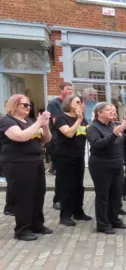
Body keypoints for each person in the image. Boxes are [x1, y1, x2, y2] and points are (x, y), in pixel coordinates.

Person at [0, 94, 52, 241]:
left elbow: (46, 139)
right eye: (25, 105)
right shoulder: (7, 121)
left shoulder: (29, 121)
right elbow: (20, 136)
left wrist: (45, 126)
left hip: (35, 161)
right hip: (17, 163)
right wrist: (38, 123)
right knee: (24, 196)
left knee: (38, 193)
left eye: (29, 105)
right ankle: (22, 229)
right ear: (14, 105)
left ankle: (37, 224)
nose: (28, 108)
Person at [87, 102, 126, 234]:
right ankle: (103, 224)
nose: (113, 112)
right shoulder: (93, 128)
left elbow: (122, 143)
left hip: (117, 165)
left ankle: (114, 219)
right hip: (101, 166)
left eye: (113, 110)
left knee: (116, 194)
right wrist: (114, 135)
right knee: (103, 196)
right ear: (99, 113)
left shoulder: (114, 125)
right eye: (108, 110)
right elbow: (97, 145)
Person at [54, 95, 91, 226]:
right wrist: (79, 119)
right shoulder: (61, 118)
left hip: (78, 155)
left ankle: (78, 212)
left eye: (82, 102)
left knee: (78, 186)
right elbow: (68, 133)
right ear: (68, 103)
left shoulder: (82, 119)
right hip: (64, 156)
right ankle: (65, 215)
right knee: (67, 186)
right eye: (77, 102)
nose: (81, 104)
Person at [47, 82, 73, 210]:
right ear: (61, 90)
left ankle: (70, 199)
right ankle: (58, 200)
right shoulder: (54, 104)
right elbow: (56, 121)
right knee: (61, 173)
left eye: (71, 89)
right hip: (58, 141)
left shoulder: (71, 105)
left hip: (71, 143)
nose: (70, 91)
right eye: (68, 89)